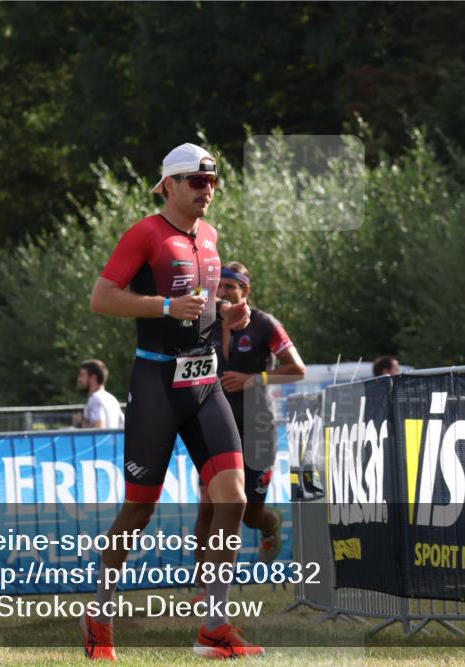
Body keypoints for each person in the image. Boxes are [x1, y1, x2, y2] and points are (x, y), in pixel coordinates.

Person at [82, 143, 263, 660]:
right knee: (139, 510)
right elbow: (101, 297)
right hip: (157, 385)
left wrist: (233, 314)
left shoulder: (210, 236)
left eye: (212, 182)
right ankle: (99, 617)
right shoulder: (145, 233)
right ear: (169, 185)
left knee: (233, 499)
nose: (207, 191)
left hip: (204, 385)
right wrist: (162, 305)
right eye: (196, 182)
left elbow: (206, 307)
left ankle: (213, 627)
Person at [192, 262, 306, 595]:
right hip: (215, 424)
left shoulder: (264, 324)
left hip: (257, 425)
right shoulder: (205, 322)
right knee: (210, 505)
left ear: (246, 292)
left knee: (248, 514)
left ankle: (269, 524)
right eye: (220, 286)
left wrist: (253, 380)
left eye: (231, 287)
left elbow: (296, 369)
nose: (224, 292)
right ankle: (206, 589)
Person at [72, 359, 125, 429]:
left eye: (82, 375)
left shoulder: (96, 399)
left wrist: (79, 423)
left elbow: (99, 428)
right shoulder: (112, 399)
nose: (79, 379)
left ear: (93, 378)